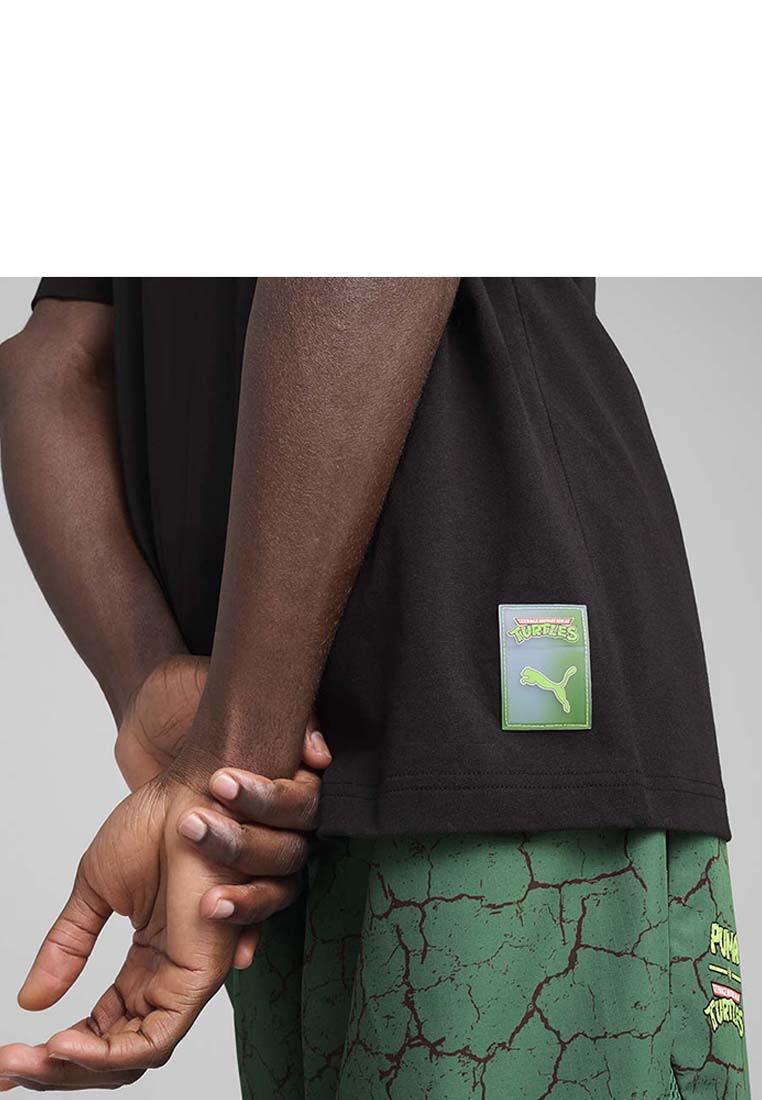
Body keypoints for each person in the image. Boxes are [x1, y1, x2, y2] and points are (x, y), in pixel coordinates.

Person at [0, 279, 750, 1098]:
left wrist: (211, 743)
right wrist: (191, 726)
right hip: (281, 780)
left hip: (500, 737)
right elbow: (54, 362)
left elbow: (62, 358)